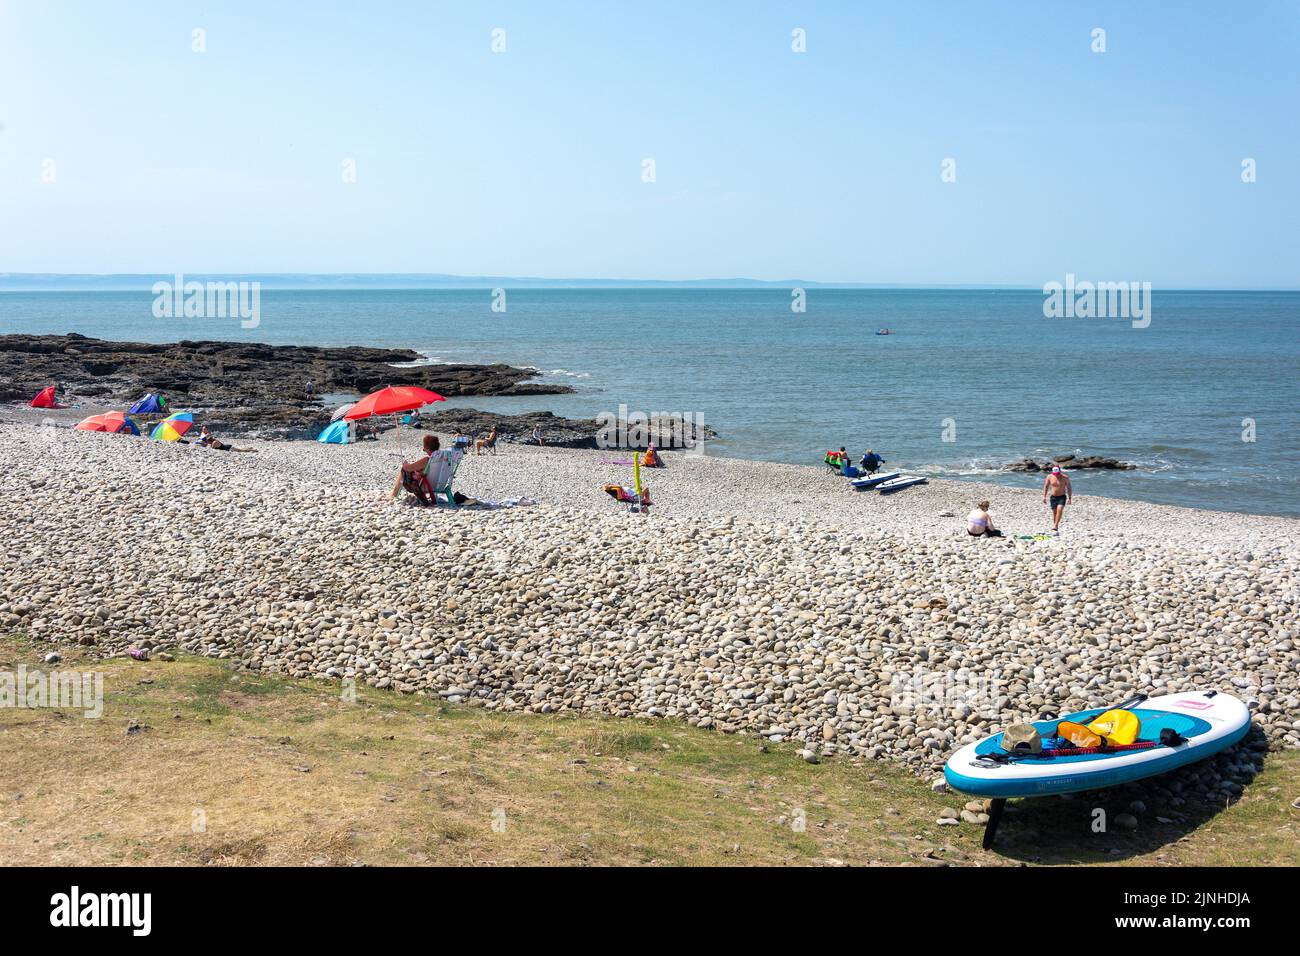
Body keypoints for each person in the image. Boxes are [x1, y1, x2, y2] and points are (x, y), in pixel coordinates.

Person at [390, 434, 440, 501]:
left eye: (424, 448)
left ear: (427, 448)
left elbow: (408, 468)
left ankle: (394, 494)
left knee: (403, 471)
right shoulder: (441, 459)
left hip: (425, 486)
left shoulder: (427, 460)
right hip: (438, 484)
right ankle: (394, 493)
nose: (423, 449)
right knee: (418, 470)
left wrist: (405, 464)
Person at [1042, 465, 1073, 533]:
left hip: (1062, 496)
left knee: (1059, 509)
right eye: (1055, 474)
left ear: (1060, 471)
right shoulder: (1049, 477)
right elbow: (1046, 486)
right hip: (1053, 497)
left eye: (1058, 474)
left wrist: (1070, 498)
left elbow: (1069, 488)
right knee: (1054, 512)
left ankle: (1056, 525)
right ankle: (1055, 526)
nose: (1056, 475)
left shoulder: (1065, 477)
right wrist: (1044, 496)